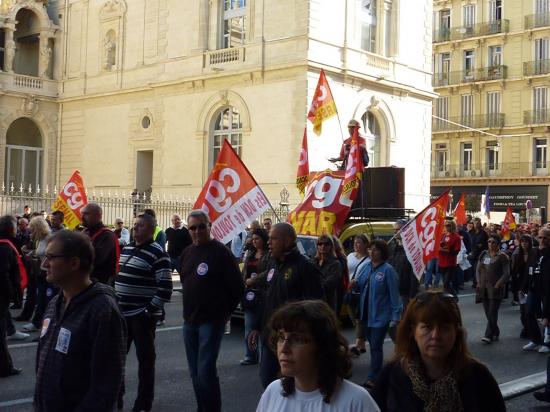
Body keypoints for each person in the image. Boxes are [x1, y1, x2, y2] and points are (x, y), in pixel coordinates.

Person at [34, 230, 127, 411]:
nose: (44, 264)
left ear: (74, 263)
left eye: (51, 258)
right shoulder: (55, 303)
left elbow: (107, 385)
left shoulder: (103, 310)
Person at [372, 290, 505, 411]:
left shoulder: (478, 375)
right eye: (427, 327)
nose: (436, 335)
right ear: (413, 331)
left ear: (456, 332)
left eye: (445, 328)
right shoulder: (391, 375)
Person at [256, 300, 380, 412]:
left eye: (298, 339)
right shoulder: (273, 392)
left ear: (322, 347)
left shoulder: (356, 401)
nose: (284, 349)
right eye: (281, 337)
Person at [179, 210, 244, 412]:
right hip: (189, 321)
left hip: (211, 322)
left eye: (201, 226)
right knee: (195, 372)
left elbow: (238, 288)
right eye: (192, 227)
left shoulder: (221, 253)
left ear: (210, 226)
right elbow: (185, 281)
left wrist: (223, 314)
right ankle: (202, 407)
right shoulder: (187, 253)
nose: (197, 231)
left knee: (205, 370)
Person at [247, 223, 324, 389]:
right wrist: (256, 326)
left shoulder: (305, 268)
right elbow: (267, 298)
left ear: (287, 240)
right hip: (270, 335)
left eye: (273, 238)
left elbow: (316, 308)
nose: (269, 242)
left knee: (290, 383)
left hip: (292, 338)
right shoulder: (273, 265)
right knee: (268, 381)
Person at [115, 213, 173, 412]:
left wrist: (148, 311)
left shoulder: (159, 254)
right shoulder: (128, 248)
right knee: (116, 359)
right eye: (134, 226)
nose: (135, 229)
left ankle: (143, 403)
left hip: (141, 317)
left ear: (150, 229)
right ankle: (116, 398)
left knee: (145, 362)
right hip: (122, 315)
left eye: (139, 226)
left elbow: (165, 288)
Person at [352, 239, 401, 388]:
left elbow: (394, 296)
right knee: (373, 346)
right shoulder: (366, 267)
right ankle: (379, 373)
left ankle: (374, 376)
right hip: (366, 314)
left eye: (376, 250)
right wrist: (354, 283)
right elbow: (359, 284)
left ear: (382, 252)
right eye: (370, 249)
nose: (372, 252)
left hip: (381, 316)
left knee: (375, 346)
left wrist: (395, 317)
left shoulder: (388, 270)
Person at [20, 217, 54, 334]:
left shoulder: (50, 238)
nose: (31, 231)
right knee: (41, 300)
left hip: (48, 273)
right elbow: (39, 252)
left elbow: (50, 254)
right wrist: (31, 253)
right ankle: (37, 323)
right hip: (40, 272)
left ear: (38, 228)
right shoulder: (40, 239)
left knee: (46, 301)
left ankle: (44, 327)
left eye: (33, 229)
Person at [240, 228, 270, 365]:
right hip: (250, 294)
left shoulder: (269, 255)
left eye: (257, 238)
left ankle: (266, 357)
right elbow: (245, 272)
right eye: (253, 239)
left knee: (264, 328)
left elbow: (270, 273)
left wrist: (255, 280)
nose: (254, 241)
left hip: (264, 295)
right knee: (249, 327)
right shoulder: (250, 254)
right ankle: (250, 355)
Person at [0, 215, 23, 377]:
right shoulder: (5, 247)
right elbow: (5, 275)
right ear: (10, 229)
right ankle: (5, 367)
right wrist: (13, 295)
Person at [476, 234, 510, 344]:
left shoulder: (502, 256)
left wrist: (498, 284)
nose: (490, 244)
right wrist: (478, 282)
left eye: (493, 242)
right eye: (489, 242)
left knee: (492, 312)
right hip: (483, 287)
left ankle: (488, 335)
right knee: (488, 313)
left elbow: (506, 274)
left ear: (498, 244)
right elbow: (478, 269)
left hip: (495, 288)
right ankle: (496, 331)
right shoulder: (484, 254)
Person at [523, 229, 550, 353]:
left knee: (547, 316)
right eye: (540, 237)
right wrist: (523, 287)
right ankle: (535, 339)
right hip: (534, 287)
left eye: (545, 237)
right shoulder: (533, 252)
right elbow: (528, 269)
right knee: (528, 312)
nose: (542, 240)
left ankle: (547, 342)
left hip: (547, 288)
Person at [81, 203, 119, 285]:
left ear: (98, 216)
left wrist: (84, 242)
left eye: (86, 214)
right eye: (82, 214)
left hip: (100, 285)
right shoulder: (85, 233)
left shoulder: (107, 235)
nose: (82, 217)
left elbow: (96, 260)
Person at [346, 234, 370, 358]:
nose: (356, 245)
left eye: (359, 242)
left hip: (362, 292)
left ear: (366, 244)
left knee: (360, 318)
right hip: (350, 291)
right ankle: (361, 341)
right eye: (355, 242)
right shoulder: (350, 256)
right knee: (353, 317)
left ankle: (358, 344)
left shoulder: (369, 259)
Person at [388, 220, 419, 311]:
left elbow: (414, 274)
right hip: (392, 290)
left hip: (405, 292)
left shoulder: (412, 249)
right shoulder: (393, 248)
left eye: (398, 229)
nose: (395, 232)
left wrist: (412, 294)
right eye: (394, 230)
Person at [513, 234, 536, 340]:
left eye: (526, 241)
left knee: (530, 311)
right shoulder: (518, 255)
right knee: (523, 311)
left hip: (532, 285)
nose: (524, 243)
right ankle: (526, 329)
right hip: (521, 286)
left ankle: (532, 331)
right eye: (522, 241)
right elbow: (515, 272)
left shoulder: (535, 253)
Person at [313, 235, 343, 312]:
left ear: (331, 246)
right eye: (320, 244)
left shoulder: (335, 264)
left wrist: (313, 285)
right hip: (313, 303)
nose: (323, 246)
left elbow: (330, 283)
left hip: (327, 303)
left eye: (326, 244)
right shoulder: (313, 262)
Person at [439, 220, 461, 296]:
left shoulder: (456, 237)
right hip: (441, 262)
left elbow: (456, 251)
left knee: (446, 282)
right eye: (445, 225)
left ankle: (450, 296)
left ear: (453, 226)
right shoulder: (442, 235)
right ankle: (452, 295)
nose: (447, 227)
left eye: (449, 225)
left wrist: (444, 250)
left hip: (450, 263)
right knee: (445, 283)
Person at [470, 218, 489, 288]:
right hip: (472, 253)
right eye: (475, 223)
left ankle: (477, 282)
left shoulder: (483, 233)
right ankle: (475, 281)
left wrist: (481, 246)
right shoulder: (471, 232)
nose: (476, 224)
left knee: (477, 268)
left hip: (481, 253)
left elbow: (486, 243)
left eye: (478, 223)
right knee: (473, 268)